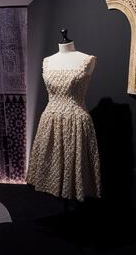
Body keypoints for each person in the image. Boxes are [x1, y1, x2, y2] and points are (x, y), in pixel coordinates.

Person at [26, 34, 101, 202]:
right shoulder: (47, 61)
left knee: (74, 168)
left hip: (75, 121)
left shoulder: (87, 60)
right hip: (50, 120)